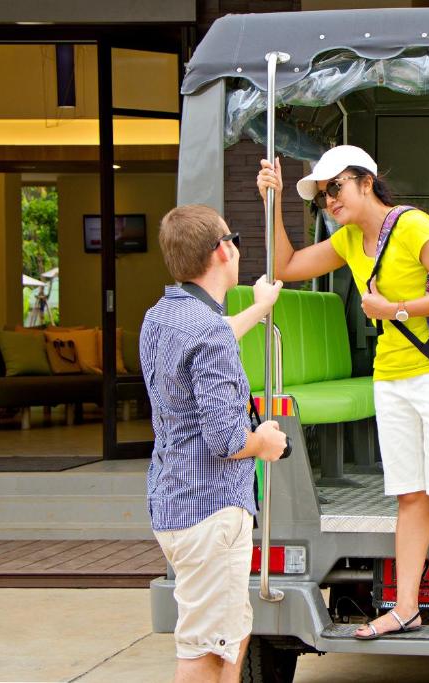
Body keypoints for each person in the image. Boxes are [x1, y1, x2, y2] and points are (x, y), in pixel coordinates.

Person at [256, 146, 429, 640]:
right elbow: (287, 264)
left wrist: (395, 310)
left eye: (336, 187)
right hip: (390, 377)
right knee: (410, 495)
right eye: (322, 197)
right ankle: (406, 608)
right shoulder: (347, 239)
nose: (330, 200)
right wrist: (273, 202)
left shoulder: (412, 226)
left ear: (366, 181)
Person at [142, 204, 288, 682]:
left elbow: (211, 337)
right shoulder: (207, 332)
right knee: (205, 651)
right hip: (212, 511)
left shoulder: (162, 317)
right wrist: (264, 441)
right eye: (235, 240)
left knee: (230, 635)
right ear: (223, 250)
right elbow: (227, 440)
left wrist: (260, 308)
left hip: (174, 501)